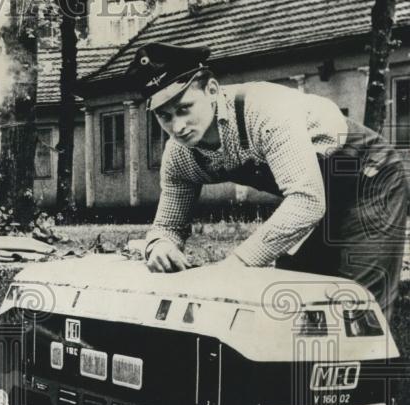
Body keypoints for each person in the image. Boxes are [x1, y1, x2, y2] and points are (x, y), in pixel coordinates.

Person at [127, 43, 409, 317]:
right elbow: (168, 225)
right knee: (294, 306)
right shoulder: (179, 155)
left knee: (357, 309)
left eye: (185, 108)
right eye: (164, 116)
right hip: (312, 190)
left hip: (367, 177)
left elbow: (307, 202)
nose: (177, 126)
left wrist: (236, 264)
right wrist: (161, 245)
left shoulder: (264, 112)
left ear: (212, 90)